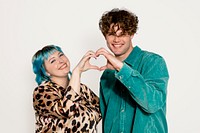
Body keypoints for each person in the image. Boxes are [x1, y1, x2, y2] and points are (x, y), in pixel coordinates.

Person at [96, 8, 169, 133]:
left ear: (131, 34)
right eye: (111, 34)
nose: (116, 40)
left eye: (122, 34)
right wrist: (77, 72)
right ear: (105, 36)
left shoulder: (153, 62)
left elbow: (152, 104)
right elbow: (106, 118)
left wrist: (122, 69)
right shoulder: (107, 75)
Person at [32, 45, 101, 133]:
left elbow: (104, 111)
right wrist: (77, 72)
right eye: (53, 60)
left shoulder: (82, 89)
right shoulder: (41, 92)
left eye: (60, 55)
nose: (60, 61)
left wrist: (114, 71)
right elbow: (67, 110)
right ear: (46, 72)